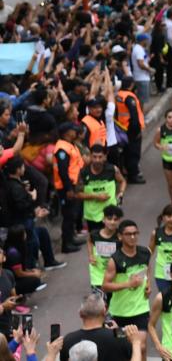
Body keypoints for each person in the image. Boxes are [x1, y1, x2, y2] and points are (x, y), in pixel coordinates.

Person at [101, 220, 150, 355]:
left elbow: (147, 269)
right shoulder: (114, 260)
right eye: (128, 234)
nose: (133, 237)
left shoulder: (145, 253)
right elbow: (105, 286)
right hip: (120, 313)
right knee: (122, 348)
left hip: (140, 309)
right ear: (120, 236)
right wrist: (128, 284)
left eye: (135, 233)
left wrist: (148, 284)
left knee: (141, 346)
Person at [59, 292, 133, 361]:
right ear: (104, 312)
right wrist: (118, 331)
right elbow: (132, 354)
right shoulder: (119, 335)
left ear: (80, 314)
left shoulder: (68, 340)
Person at [76, 144, 125, 235]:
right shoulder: (83, 173)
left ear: (105, 157)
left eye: (100, 157)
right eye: (94, 157)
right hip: (92, 216)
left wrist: (121, 193)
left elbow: (122, 181)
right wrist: (97, 196)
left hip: (110, 214)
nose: (97, 160)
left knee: (112, 241)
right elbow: (78, 194)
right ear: (90, 156)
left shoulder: (112, 170)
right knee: (96, 242)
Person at [53, 122, 85, 253]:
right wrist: (69, 189)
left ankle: (71, 239)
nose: (75, 132)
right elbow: (62, 171)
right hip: (66, 187)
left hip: (73, 183)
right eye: (72, 130)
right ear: (66, 133)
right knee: (68, 215)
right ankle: (66, 245)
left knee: (72, 214)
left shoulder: (69, 144)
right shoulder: (62, 149)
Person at [88, 205, 122, 293]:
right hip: (97, 276)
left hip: (115, 277)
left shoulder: (121, 236)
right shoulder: (94, 234)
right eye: (109, 219)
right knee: (100, 304)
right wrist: (91, 255)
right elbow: (89, 241)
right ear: (103, 219)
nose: (112, 222)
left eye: (115, 219)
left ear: (119, 221)